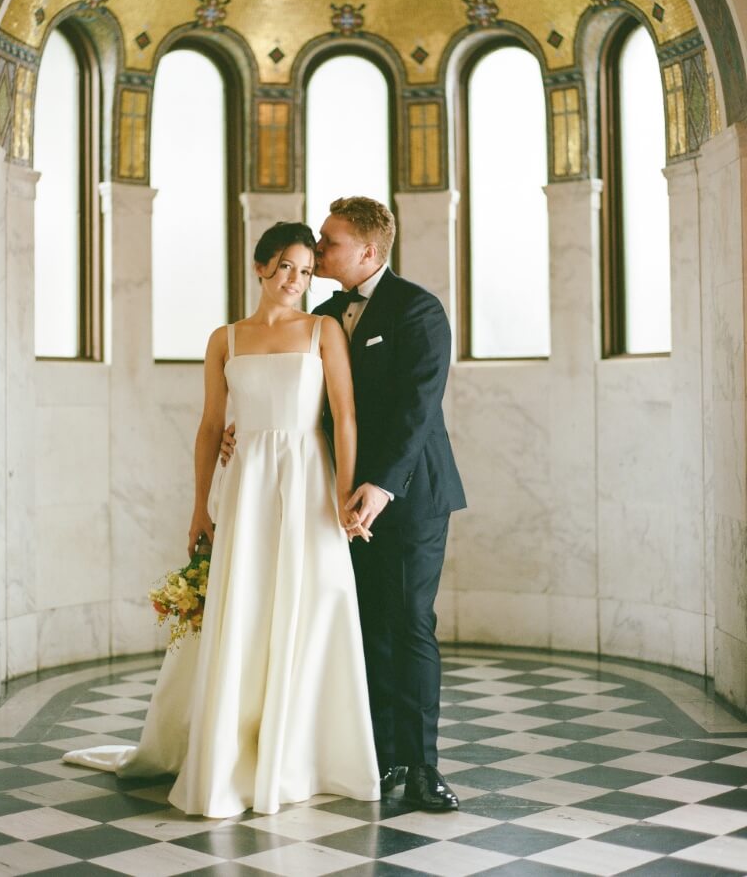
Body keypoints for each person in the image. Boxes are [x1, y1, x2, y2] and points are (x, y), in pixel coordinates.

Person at [63, 222, 379, 818]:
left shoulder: (323, 330)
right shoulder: (225, 339)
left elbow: (346, 415)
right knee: (248, 608)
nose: (296, 279)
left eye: (307, 270)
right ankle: (234, 752)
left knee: (313, 606)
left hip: (308, 478)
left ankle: (302, 755)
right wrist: (199, 507)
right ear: (260, 267)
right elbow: (211, 427)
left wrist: (343, 499)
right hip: (248, 485)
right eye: (286, 266)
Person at [223, 197, 466, 812]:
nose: (318, 250)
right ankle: (381, 760)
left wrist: (380, 485)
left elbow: (419, 409)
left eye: (329, 243)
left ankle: (423, 767)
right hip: (334, 498)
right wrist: (245, 427)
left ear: (368, 250)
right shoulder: (324, 315)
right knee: (365, 629)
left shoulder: (419, 309)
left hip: (407, 497)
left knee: (410, 624)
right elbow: (309, 404)